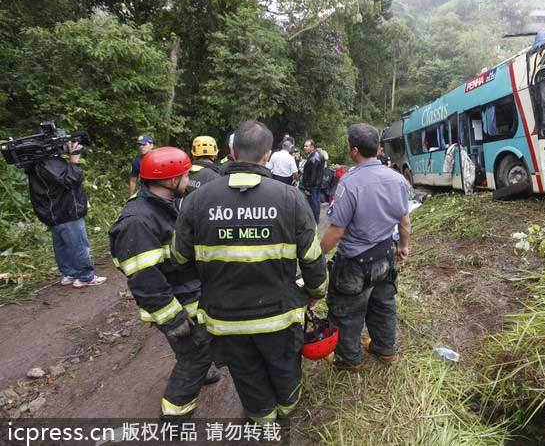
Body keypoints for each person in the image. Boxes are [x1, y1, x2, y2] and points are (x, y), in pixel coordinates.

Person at [173, 120, 327, 422]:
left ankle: (262, 416)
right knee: (285, 367)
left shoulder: (195, 200)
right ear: (267, 154)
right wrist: (315, 292)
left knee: (246, 373)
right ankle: (286, 411)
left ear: (231, 151)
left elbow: (180, 256)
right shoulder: (290, 198)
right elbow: (311, 257)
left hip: (225, 317)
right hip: (279, 316)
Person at [109, 147, 218, 418]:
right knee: (197, 355)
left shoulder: (163, 205)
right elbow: (144, 279)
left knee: (191, 350)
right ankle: (175, 414)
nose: (188, 181)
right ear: (170, 181)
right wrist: (172, 319)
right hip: (173, 303)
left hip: (185, 293)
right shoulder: (137, 221)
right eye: (184, 177)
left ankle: (198, 373)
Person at [321, 123, 411, 370]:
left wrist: (317, 254)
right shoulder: (397, 179)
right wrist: (403, 247)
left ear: (354, 151)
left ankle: (349, 359)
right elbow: (404, 221)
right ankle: (384, 350)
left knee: (346, 312)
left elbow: (336, 231)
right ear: (378, 148)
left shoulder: (349, 183)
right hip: (385, 256)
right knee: (383, 304)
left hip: (353, 263)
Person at [26, 140, 107, 289]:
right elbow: (71, 179)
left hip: (55, 212)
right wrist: (74, 160)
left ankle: (70, 273)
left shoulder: (37, 164)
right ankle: (85, 277)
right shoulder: (50, 164)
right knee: (78, 244)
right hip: (66, 210)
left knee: (62, 244)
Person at [302, 139, 325, 224]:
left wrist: (308, 187)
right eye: (304, 146)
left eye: (306, 146)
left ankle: (314, 221)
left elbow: (313, 175)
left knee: (314, 202)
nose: (305, 148)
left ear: (312, 147)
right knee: (316, 201)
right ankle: (315, 219)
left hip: (313, 185)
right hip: (317, 183)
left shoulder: (314, 158)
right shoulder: (318, 155)